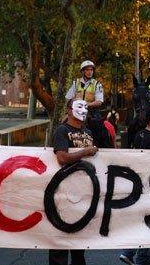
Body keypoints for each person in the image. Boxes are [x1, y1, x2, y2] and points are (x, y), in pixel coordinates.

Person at [49, 99, 98, 265]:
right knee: (60, 241)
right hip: (63, 194)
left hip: (83, 193)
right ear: (69, 110)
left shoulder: (89, 132)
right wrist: (85, 152)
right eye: (79, 106)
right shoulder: (62, 131)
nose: (84, 110)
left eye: (86, 107)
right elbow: (62, 157)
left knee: (79, 241)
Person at [119, 105, 150, 265]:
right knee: (148, 222)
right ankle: (137, 256)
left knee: (143, 220)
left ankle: (136, 255)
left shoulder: (139, 135)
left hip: (137, 184)